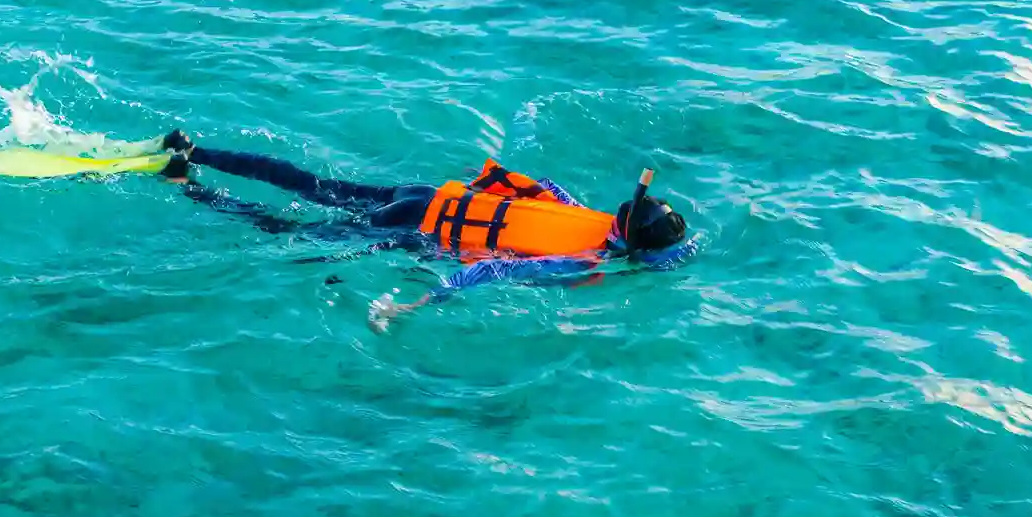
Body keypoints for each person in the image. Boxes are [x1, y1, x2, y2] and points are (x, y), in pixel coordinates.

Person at [152, 129, 694, 329]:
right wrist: (423, 302)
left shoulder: (589, 215)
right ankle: (186, 185)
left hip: (429, 195)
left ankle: (194, 150)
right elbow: (492, 267)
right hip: (417, 225)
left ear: (625, 220)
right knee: (289, 233)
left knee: (311, 185)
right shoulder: (583, 262)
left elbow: (546, 188)